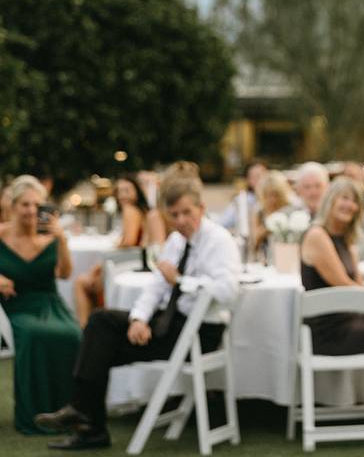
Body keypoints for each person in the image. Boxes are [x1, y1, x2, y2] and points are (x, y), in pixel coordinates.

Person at [35, 175, 241, 449]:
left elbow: (228, 291)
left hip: (200, 333)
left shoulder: (219, 240)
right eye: (174, 214)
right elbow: (155, 287)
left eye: (186, 213)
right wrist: (138, 320)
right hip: (169, 323)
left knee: (100, 346)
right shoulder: (176, 241)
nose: (180, 221)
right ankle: (86, 418)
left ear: (201, 209)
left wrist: (181, 281)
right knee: (99, 323)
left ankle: (88, 424)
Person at [0, 175, 80, 435]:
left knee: (73, 335)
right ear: (13, 206)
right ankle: (34, 414)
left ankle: (70, 411)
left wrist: (62, 240)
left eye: (37, 205)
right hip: (17, 305)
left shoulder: (51, 237)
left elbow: (66, 274)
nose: (32, 210)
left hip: (49, 303)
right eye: (25, 204)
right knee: (34, 335)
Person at [301, 177, 364, 354]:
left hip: (351, 318)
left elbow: (360, 285)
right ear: (331, 200)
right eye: (344, 198)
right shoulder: (317, 235)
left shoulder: (346, 239)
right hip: (330, 330)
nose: (350, 205)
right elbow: (344, 284)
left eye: (354, 201)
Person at [73, 174, 151, 328]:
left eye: (127, 190)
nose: (123, 195)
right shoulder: (141, 211)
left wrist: (108, 257)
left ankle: (84, 330)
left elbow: (129, 242)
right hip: (130, 263)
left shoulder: (130, 210)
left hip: (123, 265)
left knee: (81, 283)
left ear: (137, 192)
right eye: (120, 191)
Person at [218, 159, 267, 234]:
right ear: (248, 180)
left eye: (261, 175)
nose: (259, 180)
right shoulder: (242, 201)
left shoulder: (279, 197)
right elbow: (223, 222)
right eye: (254, 177)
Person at [253, 170, 295, 253]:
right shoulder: (260, 211)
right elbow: (254, 242)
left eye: (275, 194)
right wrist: (269, 228)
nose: (272, 199)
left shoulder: (291, 209)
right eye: (267, 195)